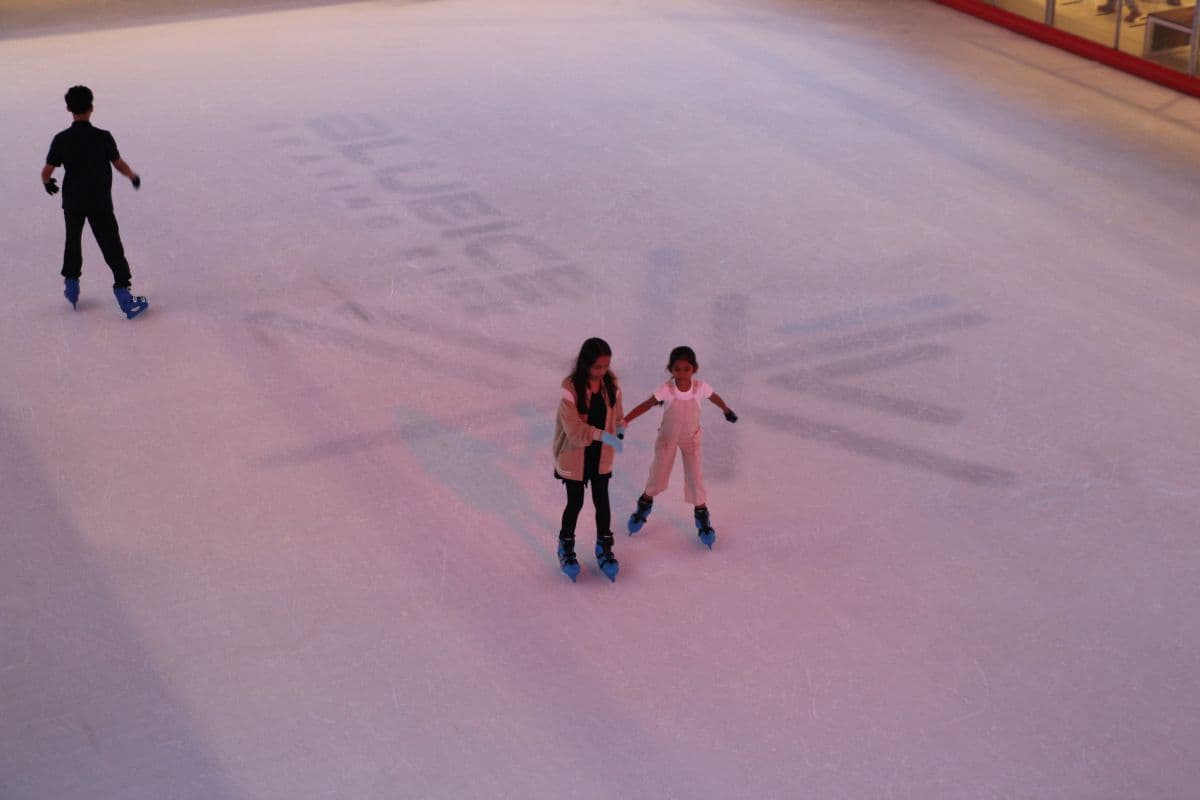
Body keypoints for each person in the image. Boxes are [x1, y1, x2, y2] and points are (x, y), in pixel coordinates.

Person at [42, 85, 149, 319]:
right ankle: (123, 292)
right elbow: (118, 163)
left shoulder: (62, 139)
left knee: (73, 240)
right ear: (91, 107)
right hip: (99, 201)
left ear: (68, 108)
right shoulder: (103, 137)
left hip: (73, 201)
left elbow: (47, 171)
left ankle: (71, 285)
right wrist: (132, 176)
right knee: (111, 244)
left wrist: (47, 182)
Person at [621, 346, 737, 549]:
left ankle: (702, 515)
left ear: (694, 369)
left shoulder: (700, 387)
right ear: (671, 369)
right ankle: (643, 506)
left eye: (686, 369)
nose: (682, 373)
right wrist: (625, 421)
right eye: (677, 369)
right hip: (668, 438)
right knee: (658, 472)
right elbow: (647, 404)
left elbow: (714, 397)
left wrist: (726, 410)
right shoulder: (667, 389)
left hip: (691, 439)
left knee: (695, 475)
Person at [552, 337, 625, 582]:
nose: (602, 372)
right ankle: (566, 545)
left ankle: (604, 545)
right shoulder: (570, 389)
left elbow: (617, 415)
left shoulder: (611, 385)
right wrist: (603, 435)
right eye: (597, 368)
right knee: (575, 502)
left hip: (601, 456)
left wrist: (619, 429)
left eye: (605, 367)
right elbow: (573, 430)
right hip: (575, 455)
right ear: (585, 364)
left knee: (602, 501)